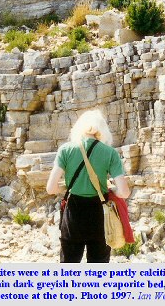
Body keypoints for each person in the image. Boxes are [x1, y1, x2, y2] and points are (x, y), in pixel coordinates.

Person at [46, 109, 130, 263]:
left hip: (73, 214)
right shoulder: (110, 153)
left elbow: (50, 188)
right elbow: (124, 192)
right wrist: (112, 188)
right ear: (102, 129)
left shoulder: (66, 150)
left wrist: (65, 187)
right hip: (100, 214)